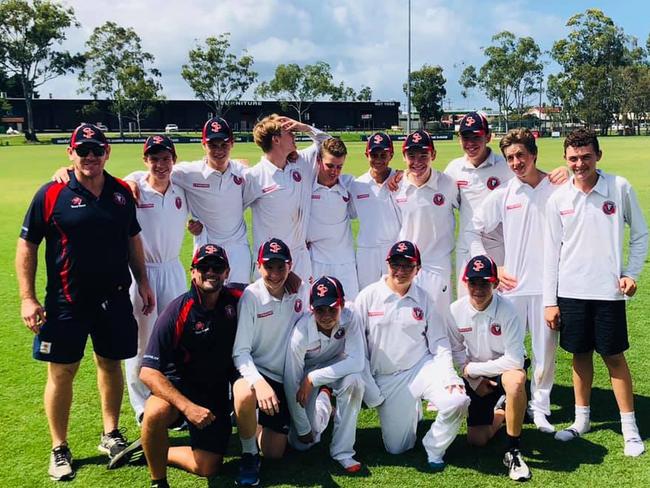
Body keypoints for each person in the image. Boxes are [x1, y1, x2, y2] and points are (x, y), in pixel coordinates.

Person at [16, 123, 154, 481]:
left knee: (109, 364)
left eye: (96, 150)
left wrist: (144, 282)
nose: (90, 156)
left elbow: (133, 240)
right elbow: (27, 246)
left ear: (107, 152)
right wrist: (28, 298)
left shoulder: (122, 192)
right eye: (83, 150)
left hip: (114, 298)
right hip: (66, 301)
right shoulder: (51, 193)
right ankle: (59, 448)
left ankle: (110, 434)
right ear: (71, 153)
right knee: (62, 371)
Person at [544, 129, 648, 456]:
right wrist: (550, 301)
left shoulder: (618, 187)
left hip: (608, 293)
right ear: (565, 159)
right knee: (579, 355)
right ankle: (581, 421)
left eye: (586, 157)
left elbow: (641, 234)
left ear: (598, 156)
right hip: (572, 292)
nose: (580, 164)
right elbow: (551, 252)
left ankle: (629, 428)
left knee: (614, 357)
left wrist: (631, 273)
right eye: (573, 158)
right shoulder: (558, 199)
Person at [127, 244, 242, 488]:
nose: (211, 271)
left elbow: (268, 286)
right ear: (193, 272)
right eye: (204, 266)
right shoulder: (177, 311)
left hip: (214, 392)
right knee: (155, 412)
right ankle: (158, 480)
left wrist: (291, 279)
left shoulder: (237, 299)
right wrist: (188, 408)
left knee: (208, 467)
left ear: (227, 272)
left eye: (217, 267)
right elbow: (147, 371)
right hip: (178, 388)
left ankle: (156, 448)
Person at [468, 128, 558, 433]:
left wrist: (564, 172)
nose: (516, 162)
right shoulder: (504, 194)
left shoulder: (557, 187)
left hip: (548, 287)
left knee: (545, 353)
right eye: (510, 158)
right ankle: (506, 399)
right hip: (513, 287)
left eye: (521, 155)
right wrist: (494, 266)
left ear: (533, 154)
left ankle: (541, 408)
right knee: (509, 351)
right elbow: (473, 231)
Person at [355, 240, 469, 471]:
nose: (401, 271)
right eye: (396, 264)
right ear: (387, 264)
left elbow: (438, 342)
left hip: (421, 368)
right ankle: (411, 408)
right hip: (386, 377)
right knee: (398, 448)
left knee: (457, 400)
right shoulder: (367, 297)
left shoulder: (424, 298)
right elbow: (357, 349)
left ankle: (434, 448)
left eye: (408, 266)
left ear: (418, 269)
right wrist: (372, 391)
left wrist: (449, 377)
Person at [122, 135, 201, 425]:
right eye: (154, 159)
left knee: (175, 339)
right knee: (141, 342)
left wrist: (198, 225)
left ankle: (173, 402)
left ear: (174, 161)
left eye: (165, 158)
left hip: (172, 270)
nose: (160, 164)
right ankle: (142, 406)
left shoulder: (181, 190)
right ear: (145, 161)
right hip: (142, 272)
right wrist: (131, 179)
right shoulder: (134, 189)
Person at [125, 117, 251, 284]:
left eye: (224, 144)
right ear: (203, 145)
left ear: (232, 143)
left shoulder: (243, 172)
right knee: (204, 303)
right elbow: (155, 171)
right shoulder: (189, 173)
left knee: (237, 300)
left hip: (238, 248)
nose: (218, 150)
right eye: (213, 145)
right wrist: (131, 179)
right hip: (205, 246)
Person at [284, 276, 383, 472]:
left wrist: (314, 379)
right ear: (311, 308)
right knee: (303, 443)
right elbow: (290, 381)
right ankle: (324, 402)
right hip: (306, 372)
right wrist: (303, 428)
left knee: (354, 382)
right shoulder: (300, 334)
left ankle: (343, 451)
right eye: (320, 310)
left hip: (337, 367)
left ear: (343, 304)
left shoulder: (351, 315)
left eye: (333, 308)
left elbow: (356, 361)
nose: (326, 315)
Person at [232, 238, 309, 486]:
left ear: (290, 266)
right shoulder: (250, 297)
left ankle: (248, 421)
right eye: (269, 267)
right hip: (256, 373)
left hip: (284, 377)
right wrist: (259, 383)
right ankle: (248, 454)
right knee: (244, 393)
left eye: (281, 267)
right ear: (258, 266)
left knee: (275, 452)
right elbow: (240, 352)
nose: (275, 274)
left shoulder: (300, 289)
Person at [447, 255, 531, 482]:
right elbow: (455, 351)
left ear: (494, 283)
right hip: (477, 375)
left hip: (506, 370)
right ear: (466, 283)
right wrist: (474, 379)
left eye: (485, 283)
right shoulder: (455, 310)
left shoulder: (509, 310)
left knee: (514, 382)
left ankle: (513, 451)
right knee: (477, 440)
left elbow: (514, 360)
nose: (478, 289)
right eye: (473, 283)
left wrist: (473, 370)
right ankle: (504, 411)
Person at [244, 115, 331, 283]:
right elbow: (233, 209)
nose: (294, 135)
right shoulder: (254, 176)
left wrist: (306, 128)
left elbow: (331, 145)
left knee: (303, 308)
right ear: (276, 140)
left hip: (299, 258)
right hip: (270, 262)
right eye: (290, 133)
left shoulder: (301, 162)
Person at [444, 112, 514, 295]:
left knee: (500, 310)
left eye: (476, 137)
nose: (470, 143)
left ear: (488, 137)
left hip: (499, 249)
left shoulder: (505, 166)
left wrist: (561, 173)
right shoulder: (454, 168)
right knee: (466, 310)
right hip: (467, 249)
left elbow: (533, 180)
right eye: (465, 137)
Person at [392, 130, 458, 317]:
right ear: (404, 157)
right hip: (406, 263)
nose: (417, 161)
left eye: (424, 155)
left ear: (433, 155)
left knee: (440, 317)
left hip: (438, 264)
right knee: (408, 317)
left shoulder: (448, 184)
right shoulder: (397, 186)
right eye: (411, 156)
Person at [307, 138, 359, 299]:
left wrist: (398, 175)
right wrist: (302, 127)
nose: (334, 171)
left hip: (345, 262)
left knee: (350, 310)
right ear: (318, 160)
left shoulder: (349, 183)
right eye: (329, 165)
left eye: (339, 167)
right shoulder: (305, 185)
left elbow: (377, 180)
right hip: (315, 262)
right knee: (316, 311)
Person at [348, 132, 401, 290]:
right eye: (374, 155)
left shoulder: (401, 180)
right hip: (366, 250)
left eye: (383, 154)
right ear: (367, 155)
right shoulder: (357, 184)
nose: (378, 160)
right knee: (366, 295)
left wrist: (404, 173)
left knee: (394, 295)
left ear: (391, 155)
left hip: (393, 248)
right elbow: (349, 213)